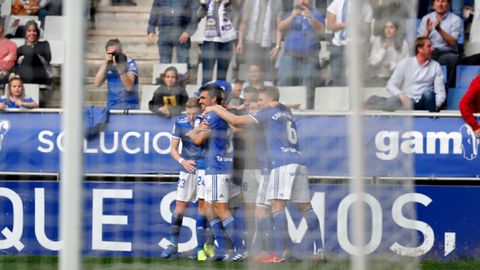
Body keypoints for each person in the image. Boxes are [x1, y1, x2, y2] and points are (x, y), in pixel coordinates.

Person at [205, 86, 323, 262]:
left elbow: (236, 122)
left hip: (279, 165)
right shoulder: (286, 110)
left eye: (260, 100)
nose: (258, 103)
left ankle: (282, 253)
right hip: (298, 162)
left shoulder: (266, 113)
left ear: (268, 99)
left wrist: (216, 108)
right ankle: (319, 250)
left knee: (276, 208)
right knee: (304, 207)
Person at [186, 83, 246, 261]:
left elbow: (197, 139)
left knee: (221, 210)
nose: (200, 100)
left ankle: (240, 248)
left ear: (213, 99)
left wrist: (189, 132)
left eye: (203, 97)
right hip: (222, 166)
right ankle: (222, 249)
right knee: (208, 208)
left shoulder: (213, 115)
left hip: (216, 168)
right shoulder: (224, 114)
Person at [161, 97, 210, 259]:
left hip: (204, 168)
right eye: (188, 113)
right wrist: (183, 161)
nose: (190, 117)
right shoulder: (180, 122)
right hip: (187, 170)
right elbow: (173, 149)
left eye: (193, 114)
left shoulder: (205, 120)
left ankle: (200, 247)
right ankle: (173, 244)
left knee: (202, 208)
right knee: (179, 208)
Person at [277, 0, 324, 109]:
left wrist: (310, 17)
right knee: (284, 82)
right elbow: (280, 27)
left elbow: (322, 31)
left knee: (308, 86)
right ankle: (279, 110)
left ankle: (306, 111)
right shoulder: (290, 13)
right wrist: (292, 16)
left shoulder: (316, 13)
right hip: (290, 55)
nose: (303, 1)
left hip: (310, 56)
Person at [384, 37, 446, 112]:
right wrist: (400, 95)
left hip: (425, 103)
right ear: (420, 49)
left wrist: (435, 106)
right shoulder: (405, 63)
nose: (432, 49)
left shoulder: (435, 66)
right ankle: (390, 123)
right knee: (391, 101)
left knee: (428, 94)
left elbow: (440, 93)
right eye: (429, 46)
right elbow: (390, 84)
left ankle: (431, 120)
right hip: (407, 101)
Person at [326, 0, 373, 86]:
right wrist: (344, 25)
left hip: (357, 47)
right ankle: (340, 98)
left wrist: (357, 24)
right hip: (338, 46)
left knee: (357, 78)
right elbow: (329, 26)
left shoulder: (366, 6)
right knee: (337, 78)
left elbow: (368, 31)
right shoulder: (337, 3)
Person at [418, 0, 463, 87]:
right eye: (437, 1)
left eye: (443, 1)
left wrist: (439, 29)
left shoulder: (455, 19)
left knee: (453, 59)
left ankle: (448, 90)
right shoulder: (426, 18)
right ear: (433, 4)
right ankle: (424, 89)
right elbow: (419, 43)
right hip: (431, 52)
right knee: (421, 56)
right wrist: (427, 32)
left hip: (447, 53)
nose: (440, 4)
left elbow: (453, 43)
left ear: (449, 4)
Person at [235, 0, 283, 81]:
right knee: (252, 73)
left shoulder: (278, 3)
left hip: (270, 44)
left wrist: (277, 46)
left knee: (268, 75)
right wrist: (240, 42)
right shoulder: (249, 2)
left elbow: (279, 26)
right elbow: (244, 22)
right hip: (252, 43)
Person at [198, 0, 237, 84]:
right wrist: (203, 4)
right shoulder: (208, 1)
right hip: (210, 41)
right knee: (207, 76)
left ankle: (220, 96)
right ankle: (205, 96)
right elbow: (200, 15)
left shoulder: (229, 1)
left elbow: (233, 16)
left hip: (226, 41)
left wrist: (227, 4)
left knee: (222, 76)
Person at [94, 38, 139, 109]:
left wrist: (119, 66)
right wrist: (106, 62)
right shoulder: (107, 64)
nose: (113, 56)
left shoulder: (130, 63)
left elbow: (130, 87)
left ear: (121, 51)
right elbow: (97, 83)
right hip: (112, 107)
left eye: (115, 52)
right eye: (110, 53)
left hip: (129, 107)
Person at [368, 20, 409, 86]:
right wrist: (382, 49)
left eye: (391, 27)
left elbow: (406, 66)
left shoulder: (403, 44)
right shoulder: (377, 41)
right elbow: (373, 62)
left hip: (397, 79)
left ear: (396, 30)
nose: (388, 30)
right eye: (386, 27)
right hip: (379, 79)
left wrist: (391, 65)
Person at [15, 20, 52, 85]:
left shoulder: (44, 44)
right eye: (29, 31)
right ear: (25, 33)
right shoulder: (20, 49)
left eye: (34, 31)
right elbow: (16, 68)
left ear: (37, 32)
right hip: (23, 77)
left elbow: (47, 60)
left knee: (29, 53)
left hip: (40, 75)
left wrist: (27, 56)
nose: (32, 33)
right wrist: (19, 63)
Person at [0, 19, 17, 85]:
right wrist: (4, 60)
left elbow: (9, 64)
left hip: (3, 74)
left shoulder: (11, 45)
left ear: (0, 28)